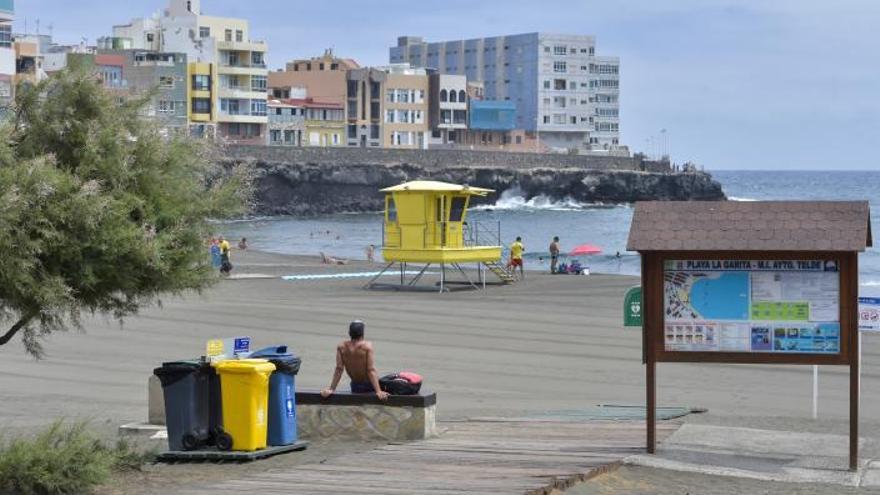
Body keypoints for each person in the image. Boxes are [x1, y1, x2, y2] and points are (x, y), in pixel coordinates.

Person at [321, 321, 389, 400]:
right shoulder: (367, 347)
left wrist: (331, 389)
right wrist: (378, 391)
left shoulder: (341, 347)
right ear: (362, 333)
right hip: (370, 386)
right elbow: (370, 370)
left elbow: (339, 369)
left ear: (349, 333)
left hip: (355, 385)